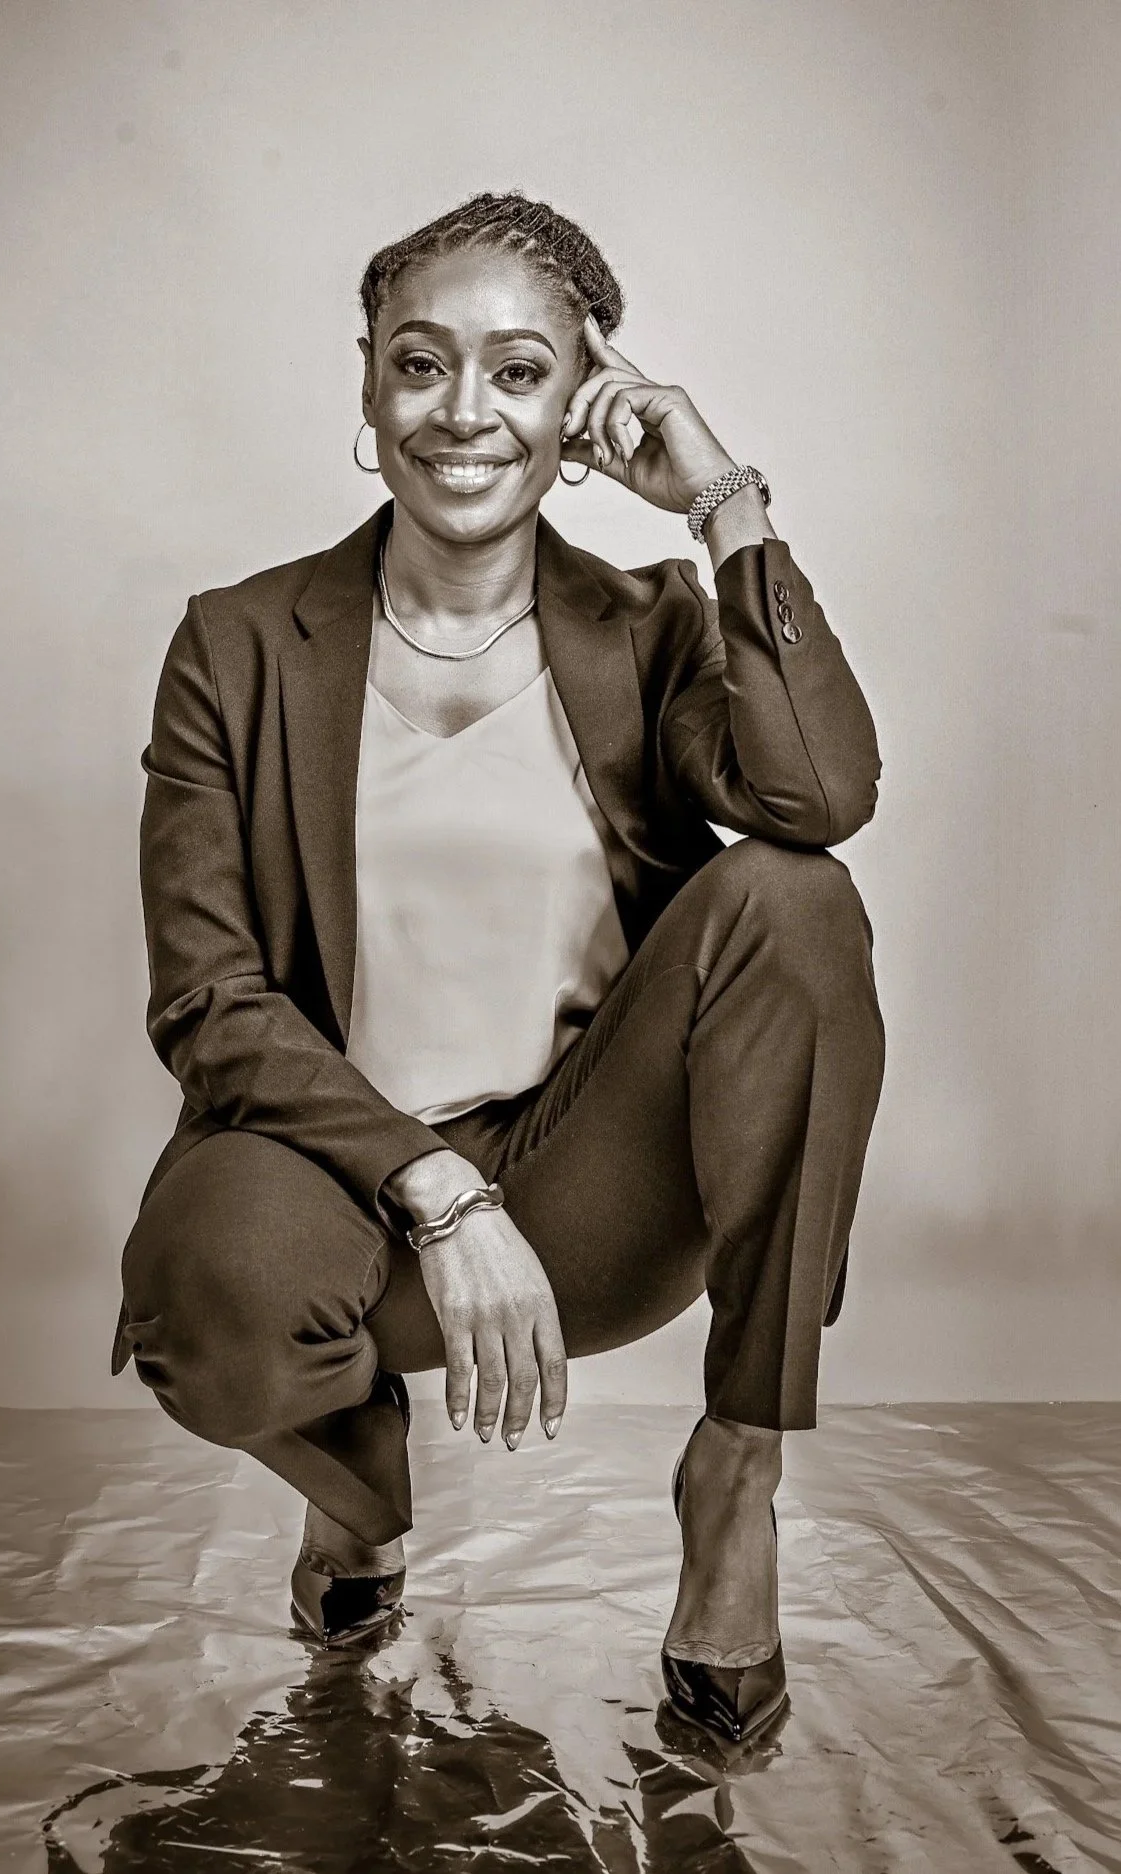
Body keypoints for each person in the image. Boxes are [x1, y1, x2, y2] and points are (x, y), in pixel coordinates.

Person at [111, 192, 885, 1748]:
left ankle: (737, 1466)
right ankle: (360, 1483)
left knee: (795, 899)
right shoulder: (241, 645)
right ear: (368, 389)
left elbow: (824, 797)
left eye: (521, 371)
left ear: (581, 403)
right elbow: (210, 996)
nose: (464, 411)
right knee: (207, 1300)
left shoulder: (649, 626)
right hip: (357, 1189)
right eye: (421, 364)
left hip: (592, 1187)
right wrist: (433, 1188)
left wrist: (722, 504)